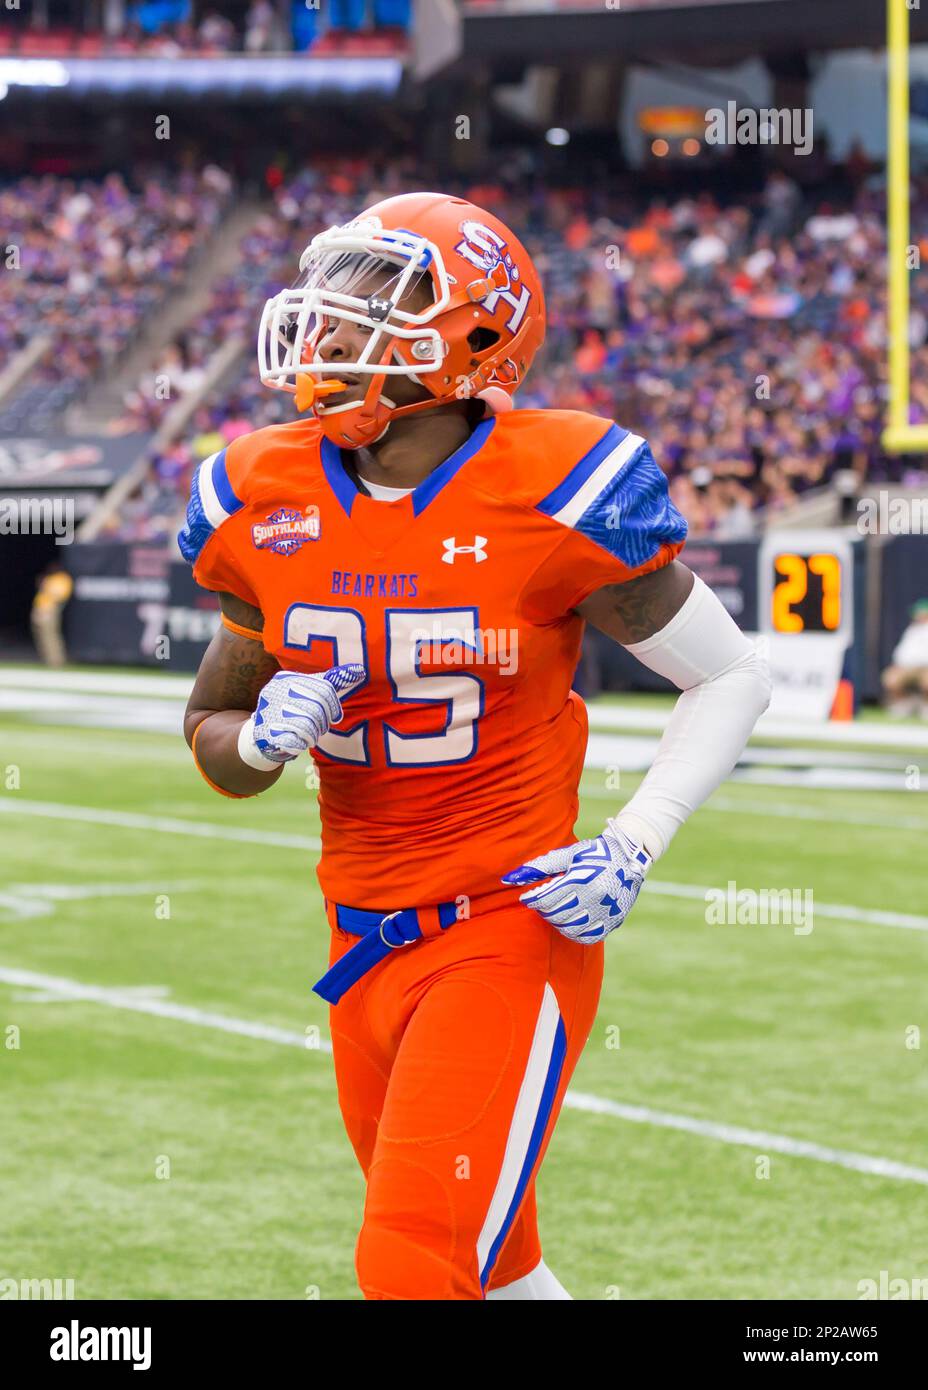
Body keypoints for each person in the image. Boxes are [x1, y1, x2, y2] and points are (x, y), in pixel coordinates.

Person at [178, 192, 771, 1300]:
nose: (333, 321)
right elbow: (209, 740)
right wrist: (255, 740)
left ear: (473, 334)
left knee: (410, 1261)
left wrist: (635, 842)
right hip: (361, 938)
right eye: (337, 292)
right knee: (496, 1269)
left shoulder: (555, 484)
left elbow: (731, 673)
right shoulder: (262, 490)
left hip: (506, 927)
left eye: (377, 296)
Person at [882, 599, 928, 717]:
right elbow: (901, 653)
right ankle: (905, 704)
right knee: (891, 677)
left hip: (924, 669)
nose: (917, 616)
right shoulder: (911, 631)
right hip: (906, 668)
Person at [31, 560, 73, 668]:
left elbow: (59, 595)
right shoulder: (50, 578)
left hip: (50, 610)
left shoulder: (63, 579)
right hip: (40, 608)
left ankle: (56, 661)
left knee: (50, 635)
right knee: (41, 636)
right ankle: (46, 659)